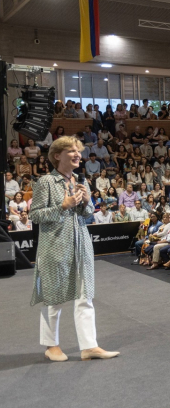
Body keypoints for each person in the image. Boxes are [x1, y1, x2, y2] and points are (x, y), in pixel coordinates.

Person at [30, 136, 119, 362]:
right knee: (53, 297)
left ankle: (89, 346)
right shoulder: (46, 183)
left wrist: (87, 202)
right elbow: (35, 215)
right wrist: (62, 205)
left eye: (78, 150)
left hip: (81, 244)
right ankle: (51, 346)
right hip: (54, 245)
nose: (77, 154)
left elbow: (86, 215)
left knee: (84, 296)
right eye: (71, 150)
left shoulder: (81, 181)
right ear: (57, 156)